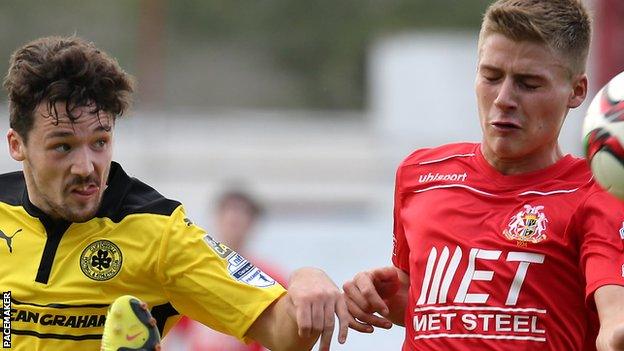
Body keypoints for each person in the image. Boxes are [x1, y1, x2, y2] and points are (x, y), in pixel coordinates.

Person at [0, 36, 349, 351]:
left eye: (100, 142)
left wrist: (306, 281)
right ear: (18, 145)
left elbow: (283, 332)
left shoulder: (161, 231)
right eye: (63, 147)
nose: (86, 166)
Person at [342, 0, 624, 350]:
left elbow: (615, 323)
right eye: (491, 76)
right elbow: (433, 305)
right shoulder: (420, 175)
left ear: (577, 91)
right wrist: (383, 292)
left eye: (529, 84)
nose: (504, 98)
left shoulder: (597, 195)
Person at [166, 189, 289, 351]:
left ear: (252, 223)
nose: (234, 218)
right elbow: (171, 331)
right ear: (217, 217)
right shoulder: (194, 271)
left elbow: (284, 332)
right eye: (229, 211)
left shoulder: (269, 279)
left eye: (242, 213)